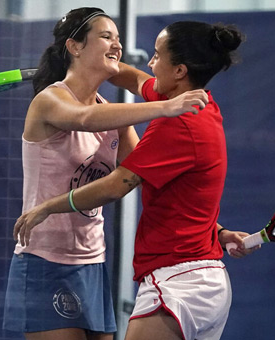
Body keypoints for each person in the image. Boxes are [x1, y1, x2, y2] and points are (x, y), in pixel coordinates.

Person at [14, 20, 252, 340]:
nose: (150, 63)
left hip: (178, 282)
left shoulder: (176, 121)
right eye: (106, 37)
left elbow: (117, 184)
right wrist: (101, 62)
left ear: (179, 70)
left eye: (156, 56)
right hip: (201, 278)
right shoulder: (197, 103)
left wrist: (48, 207)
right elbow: (135, 79)